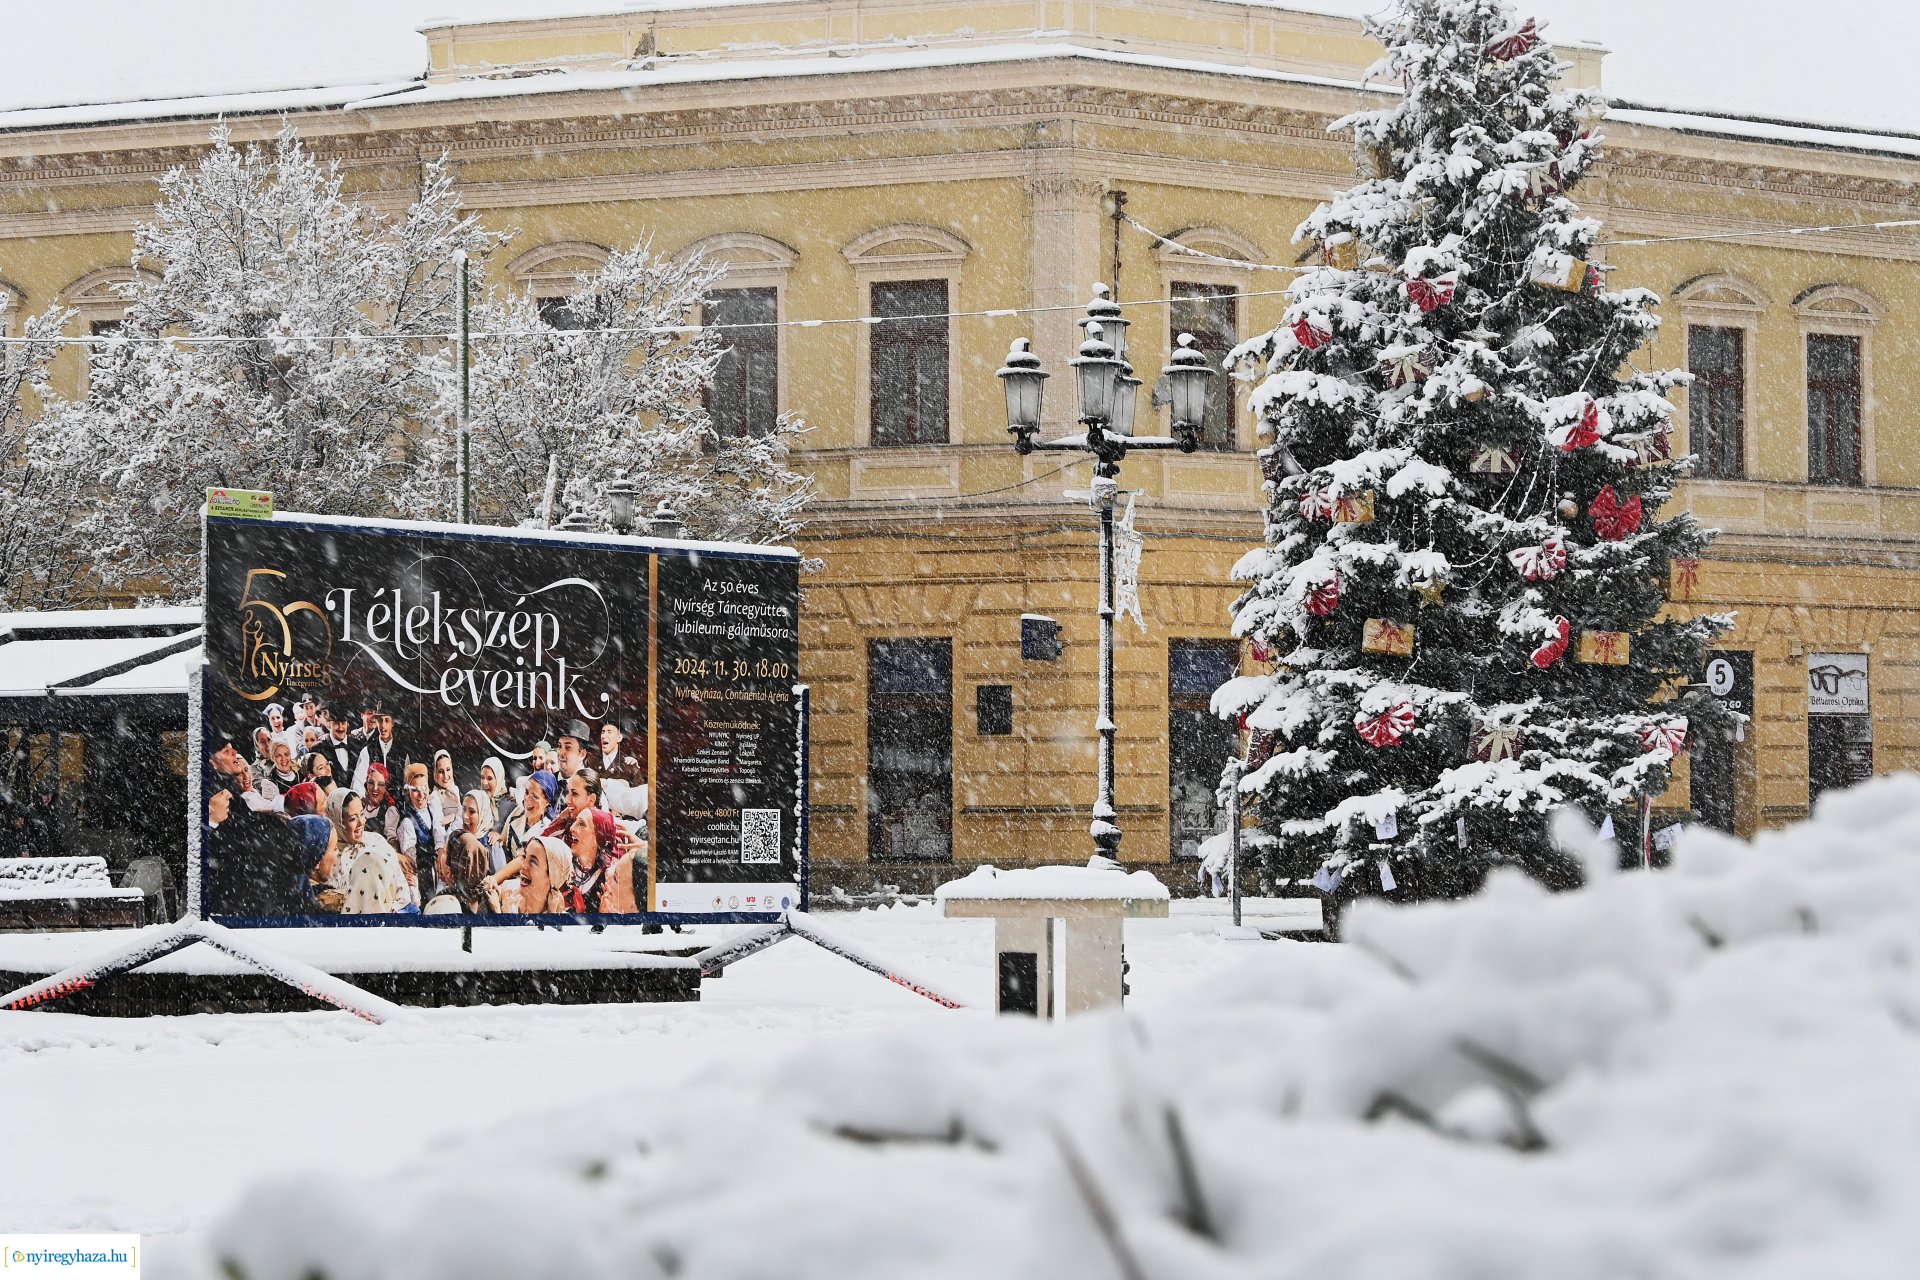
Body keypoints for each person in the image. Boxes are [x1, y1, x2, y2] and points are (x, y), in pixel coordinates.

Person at [326, 787, 409, 915]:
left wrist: (392, 911)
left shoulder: (376, 840)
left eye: (362, 814)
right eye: (353, 819)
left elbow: (401, 887)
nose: (361, 822)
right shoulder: (331, 856)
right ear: (338, 822)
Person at [564, 806, 642, 914]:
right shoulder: (563, 865)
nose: (572, 828)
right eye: (574, 821)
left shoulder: (607, 883)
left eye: (581, 824)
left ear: (597, 836)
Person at [396, 761, 449, 901]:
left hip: (437, 869)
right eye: (415, 790)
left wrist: (441, 854)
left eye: (423, 788)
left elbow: (439, 833)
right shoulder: (407, 821)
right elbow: (410, 859)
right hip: (421, 874)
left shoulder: (433, 809)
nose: (420, 795)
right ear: (408, 791)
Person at [496, 833, 572, 915]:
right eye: (525, 856)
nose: (523, 865)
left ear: (552, 877)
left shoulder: (563, 923)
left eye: (533, 861)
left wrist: (497, 911)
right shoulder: (506, 891)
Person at [425, 832, 498, 915]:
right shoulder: (492, 896)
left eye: (444, 852)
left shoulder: (443, 905)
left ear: (449, 871)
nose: (441, 856)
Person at [318, 709, 368, 793]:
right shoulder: (318, 748)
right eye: (337, 723)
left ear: (347, 724)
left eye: (343, 723)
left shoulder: (359, 746)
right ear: (330, 724)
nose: (341, 728)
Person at [459, 788, 505, 875]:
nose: (465, 816)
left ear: (483, 814)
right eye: (464, 809)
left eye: (472, 812)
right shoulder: (458, 839)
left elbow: (500, 881)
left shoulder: (492, 845)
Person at [362, 763, 404, 849]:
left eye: (380, 784)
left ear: (385, 787)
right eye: (371, 783)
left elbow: (392, 839)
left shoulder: (389, 810)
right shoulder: (360, 805)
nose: (375, 788)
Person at [596, 720, 643, 787]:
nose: (604, 736)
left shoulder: (629, 765)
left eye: (609, 732)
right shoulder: (591, 761)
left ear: (619, 738)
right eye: (602, 732)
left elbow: (639, 793)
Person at [366, 709, 407, 781]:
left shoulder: (403, 750)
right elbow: (360, 779)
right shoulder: (368, 749)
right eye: (380, 720)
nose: (383, 725)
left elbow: (408, 780)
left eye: (387, 720)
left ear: (393, 723)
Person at [478, 757, 514, 833]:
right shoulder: (477, 802)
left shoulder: (510, 803)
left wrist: (499, 837)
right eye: (482, 778)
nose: (484, 783)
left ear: (499, 779)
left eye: (489, 778)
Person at [429, 749, 460, 825]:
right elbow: (438, 826)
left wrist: (454, 816)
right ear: (435, 774)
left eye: (448, 769)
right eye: (440, 771)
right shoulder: (434, 796)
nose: (445, 775)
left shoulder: (455, 789)